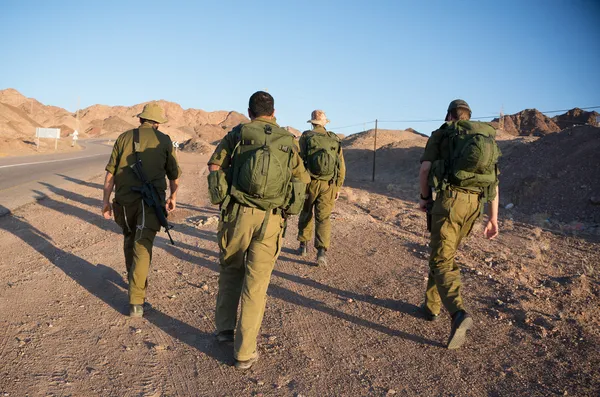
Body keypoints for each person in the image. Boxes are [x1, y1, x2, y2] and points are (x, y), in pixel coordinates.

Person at [207, 91, 310, 370]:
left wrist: (221, 197)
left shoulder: (239, 133)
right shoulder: (289, 141)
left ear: (250, 112)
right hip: (272, 219)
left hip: (238, 214)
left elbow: (215, 165)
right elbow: (301, 179)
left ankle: (225, 330)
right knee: (257, 284)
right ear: (273, 113)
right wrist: (290, 211)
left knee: (231, 271)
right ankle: (244, 353)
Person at [418, 99, 500, 349]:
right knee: (444, 252)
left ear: (449, 115)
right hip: (474, 205)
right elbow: (494, 183)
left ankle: (458, 313)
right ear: (468, 116)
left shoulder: (443, 134)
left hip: (450, 201)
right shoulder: (483, 138)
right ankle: (432, 307)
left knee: (442, 259)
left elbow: (424, 170)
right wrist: (493, 217)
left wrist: (423, 198)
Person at [102, 102, 181, 318]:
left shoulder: (124, 137)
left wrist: (105, 201)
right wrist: (173, 196)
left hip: (124, 202)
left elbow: (110, 174)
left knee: (129, 239)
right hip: (150, 203)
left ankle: (134, 282)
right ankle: (136, 301)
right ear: (157, 123)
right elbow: (173, 175)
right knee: (142, 245)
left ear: (140, 119)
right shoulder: (164, 141)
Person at [297, 110, 346, 266]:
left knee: (306, 213)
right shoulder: (334, 139)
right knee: (323, 218)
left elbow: (299, 160)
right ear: (325, 123)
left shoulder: (306, 137)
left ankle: (303, 246)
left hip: (309, 182)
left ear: (312, 123)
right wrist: (338, 186)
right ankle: (321, 253)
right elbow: (341, 166)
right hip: (328, 184)